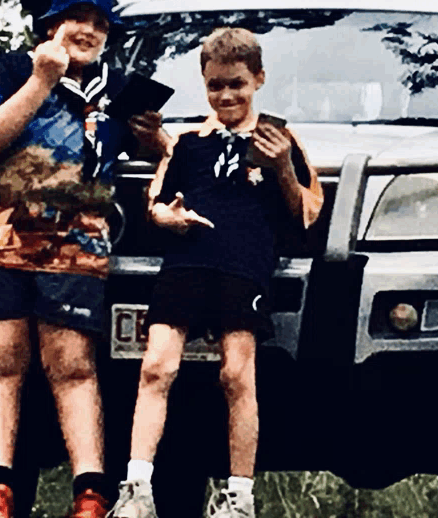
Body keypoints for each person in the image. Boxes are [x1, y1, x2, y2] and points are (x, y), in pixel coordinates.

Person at [0, 0, 169, 518]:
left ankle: (91, 492)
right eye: (78, 18)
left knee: (72, 361)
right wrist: (40, 80)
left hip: (78, 243)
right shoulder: (10, 69)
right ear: (51, 23)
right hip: (0, 235)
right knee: (0, 357)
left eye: (101, 25)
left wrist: (154, 141)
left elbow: (160, 158)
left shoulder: (119, 91)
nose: (90, 31)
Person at [107, 27, 323, 518]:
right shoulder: (186, 143)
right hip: (186, 261)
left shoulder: (280, 139)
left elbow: (305, 214)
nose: (226, 95)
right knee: (156, 366)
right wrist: (168, 216)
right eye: (215, 86)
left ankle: (238, 497)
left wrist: (284, 169)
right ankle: (137, 490)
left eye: (237, 84)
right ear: (204, 84)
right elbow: (155, 204)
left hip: (243, 266)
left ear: (258, 80)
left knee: (236, 374)